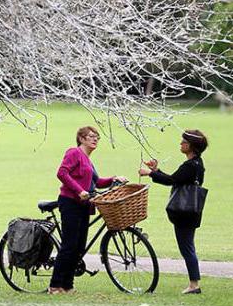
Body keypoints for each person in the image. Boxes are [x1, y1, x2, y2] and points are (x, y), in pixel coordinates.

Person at [49, 126, 128, 294]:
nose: (95, 140)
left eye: (97, 137)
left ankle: (67, 286)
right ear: (81, 138)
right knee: (69, 245)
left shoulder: (88, 159)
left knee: (79, 247)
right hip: (70, 202)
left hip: (85, 205)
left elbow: (97, 182)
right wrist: (79, 190)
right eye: (91, 136)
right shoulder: (74, 153)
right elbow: (62, 173)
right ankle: (55, 285)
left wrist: (114, 179)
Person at [139, 129, 208, 295]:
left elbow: (171, 181)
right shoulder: (197, 164)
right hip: (191, 210)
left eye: (184, 142)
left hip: (184, 211)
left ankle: (194, 284)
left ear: (191, 146)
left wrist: (150, 173)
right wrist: (156, 171)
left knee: (187, 248)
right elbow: (176, 179)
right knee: (188, 246)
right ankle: (194, 283)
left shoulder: (190, 165)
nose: (181, 144)